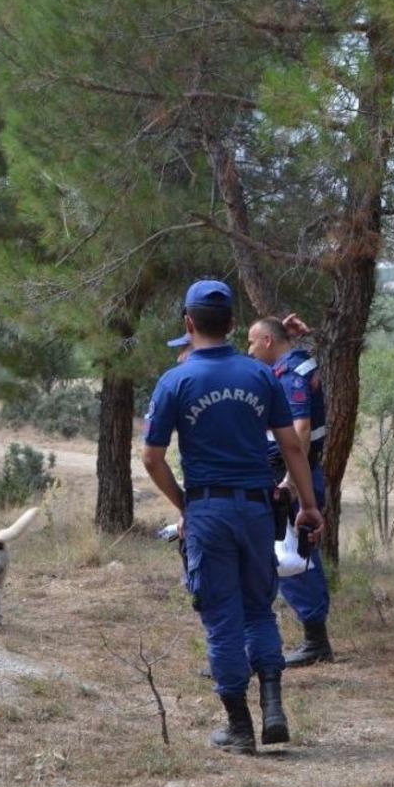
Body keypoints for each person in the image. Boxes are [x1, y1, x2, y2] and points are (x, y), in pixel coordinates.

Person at [142, 280, 324, 755]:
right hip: (257, 509)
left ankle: (239, 727)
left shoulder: (175, 381)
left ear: (189, 323)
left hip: (208, 510)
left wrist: (185, 504)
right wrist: (308, 505)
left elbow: (151, 459)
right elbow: (292, 445)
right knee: (259, 609)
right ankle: (273, 706)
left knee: (223, 619)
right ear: (230, 323)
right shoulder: (261, 376)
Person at [247, 316, 335, 667]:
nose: (249, 350)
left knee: (296, 556)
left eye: (252, 342)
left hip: (292, 476)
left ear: (268, 341)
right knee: (291, 553)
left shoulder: (290, 373)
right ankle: (311, 638)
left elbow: (301, 429)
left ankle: (316, 642)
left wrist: (289, 481)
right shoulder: (296, 363)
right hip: (294, 473)